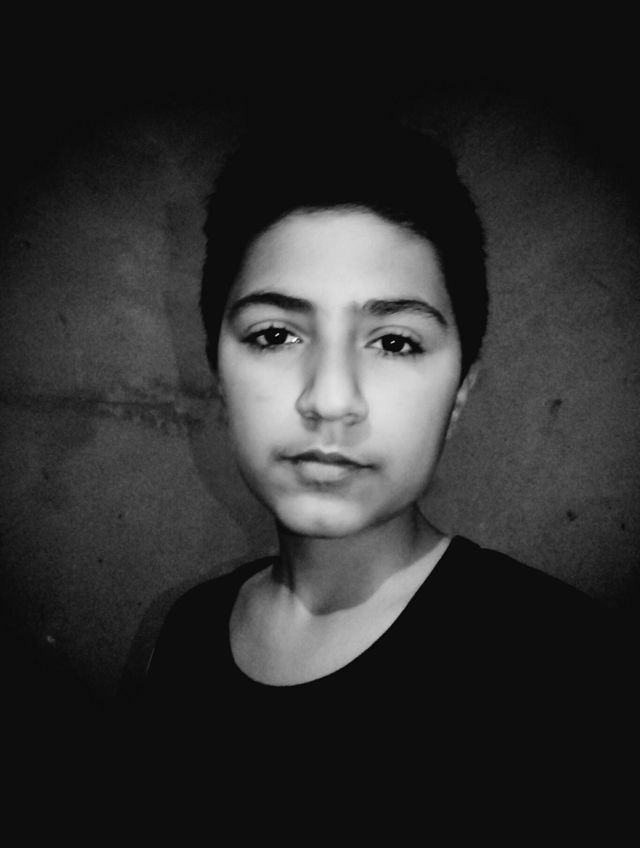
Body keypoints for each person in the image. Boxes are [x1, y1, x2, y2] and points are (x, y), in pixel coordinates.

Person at [139, 112, 632, 811]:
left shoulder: (568, 663)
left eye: (395, 342)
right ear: (219, 372)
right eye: (275, 334)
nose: (330, 399)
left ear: (459, 393)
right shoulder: (187, 633)